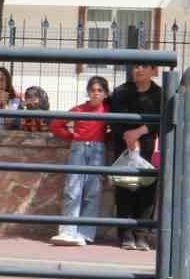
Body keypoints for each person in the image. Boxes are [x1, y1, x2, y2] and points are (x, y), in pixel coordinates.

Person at [106, 61, 162, 251]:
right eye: (136, 66)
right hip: (124, 146)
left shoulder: (160, 94)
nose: (138, 69)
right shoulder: (121, 92)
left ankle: (142, 236)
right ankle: (126, 235)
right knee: (125, 189)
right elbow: (114, 119)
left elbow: (163, 120)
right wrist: (128, 136)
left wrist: (140, 131)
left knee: (147, 193)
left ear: (154, 70)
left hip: (148, 149)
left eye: (144, 66)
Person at [49, 76, 109, 247]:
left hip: (98, 150)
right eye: (92, 90)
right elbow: (55, 125)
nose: (95, 94)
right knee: (73, 189)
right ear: (88, 92)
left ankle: (85, 233)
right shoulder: (79, 109)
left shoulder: (108, 111)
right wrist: (73, 137)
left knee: (93, 191)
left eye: (99, 90)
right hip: (79, 149)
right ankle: (68, 231)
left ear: (105, 93)